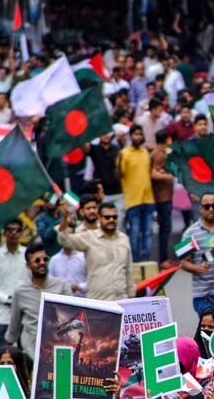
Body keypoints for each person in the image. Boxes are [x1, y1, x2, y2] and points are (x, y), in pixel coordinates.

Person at [57, 201, 135, 301]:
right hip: (98, 302)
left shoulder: (124, 239)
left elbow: (129, 271)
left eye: (114, 217)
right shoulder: (89, 237)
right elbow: (64, 239)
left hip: (122, 301)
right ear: (99, 218)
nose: (111, 220)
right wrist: (64, 219)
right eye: (107, 217)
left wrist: (132, 297)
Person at [5, 242, 71, 358]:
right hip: (31, 351)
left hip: (59, 349)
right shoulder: (20, 292)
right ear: (28, 265)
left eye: (45, 259)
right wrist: (7, 350)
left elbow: (72, 317)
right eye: (37, 261)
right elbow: (14, 325)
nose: (42, 263)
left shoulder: (62, 286)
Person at [0, 219, 28, 352]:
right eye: (10, 230)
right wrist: (7, 298)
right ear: (4, 232)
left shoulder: (27, 255)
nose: (14, 233)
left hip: (25, 312)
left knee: (26, 355)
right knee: (4, 354)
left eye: (17, 230)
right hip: (4, 313)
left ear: (21, 232)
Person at [117, 124, 154, 262]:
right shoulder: (124, 154)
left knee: (148, 233)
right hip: (133, 200)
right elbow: (119, 176)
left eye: (140, 134)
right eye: (135, 134)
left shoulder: (145, 153)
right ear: (130, 136)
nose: (138, 136)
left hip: (148, 199)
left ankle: (146, 261)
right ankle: (136, 264)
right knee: (135, 233)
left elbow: (149, 173)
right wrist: (119, 160)